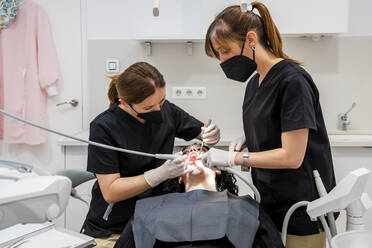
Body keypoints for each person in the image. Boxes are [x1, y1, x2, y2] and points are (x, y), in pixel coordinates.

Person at [201, 2, 337, 248]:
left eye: (225, 51)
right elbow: (274, 124)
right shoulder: (255, 83)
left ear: (251, 39)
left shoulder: (292, 81)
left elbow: (292, 156)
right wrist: (249, 138)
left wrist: (232, 159)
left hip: (301, 207)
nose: (222, 61)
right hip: (268, 203)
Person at [81, 62, 221, 248]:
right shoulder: (104, 127)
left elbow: (202, 135)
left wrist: (210, 135)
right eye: (148, 109)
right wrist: (158, 174)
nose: (158, 111)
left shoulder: (166, 110)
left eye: (161, 102)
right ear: (124, 103)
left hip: (156, 222)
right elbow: (111, 191)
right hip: (114, 229)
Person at [113, 144, 284, 248]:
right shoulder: (150, 208)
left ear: (217, 168)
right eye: (188, 153)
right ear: (178, 176)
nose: (194, 151)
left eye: (200, 151)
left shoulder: (244, 206)